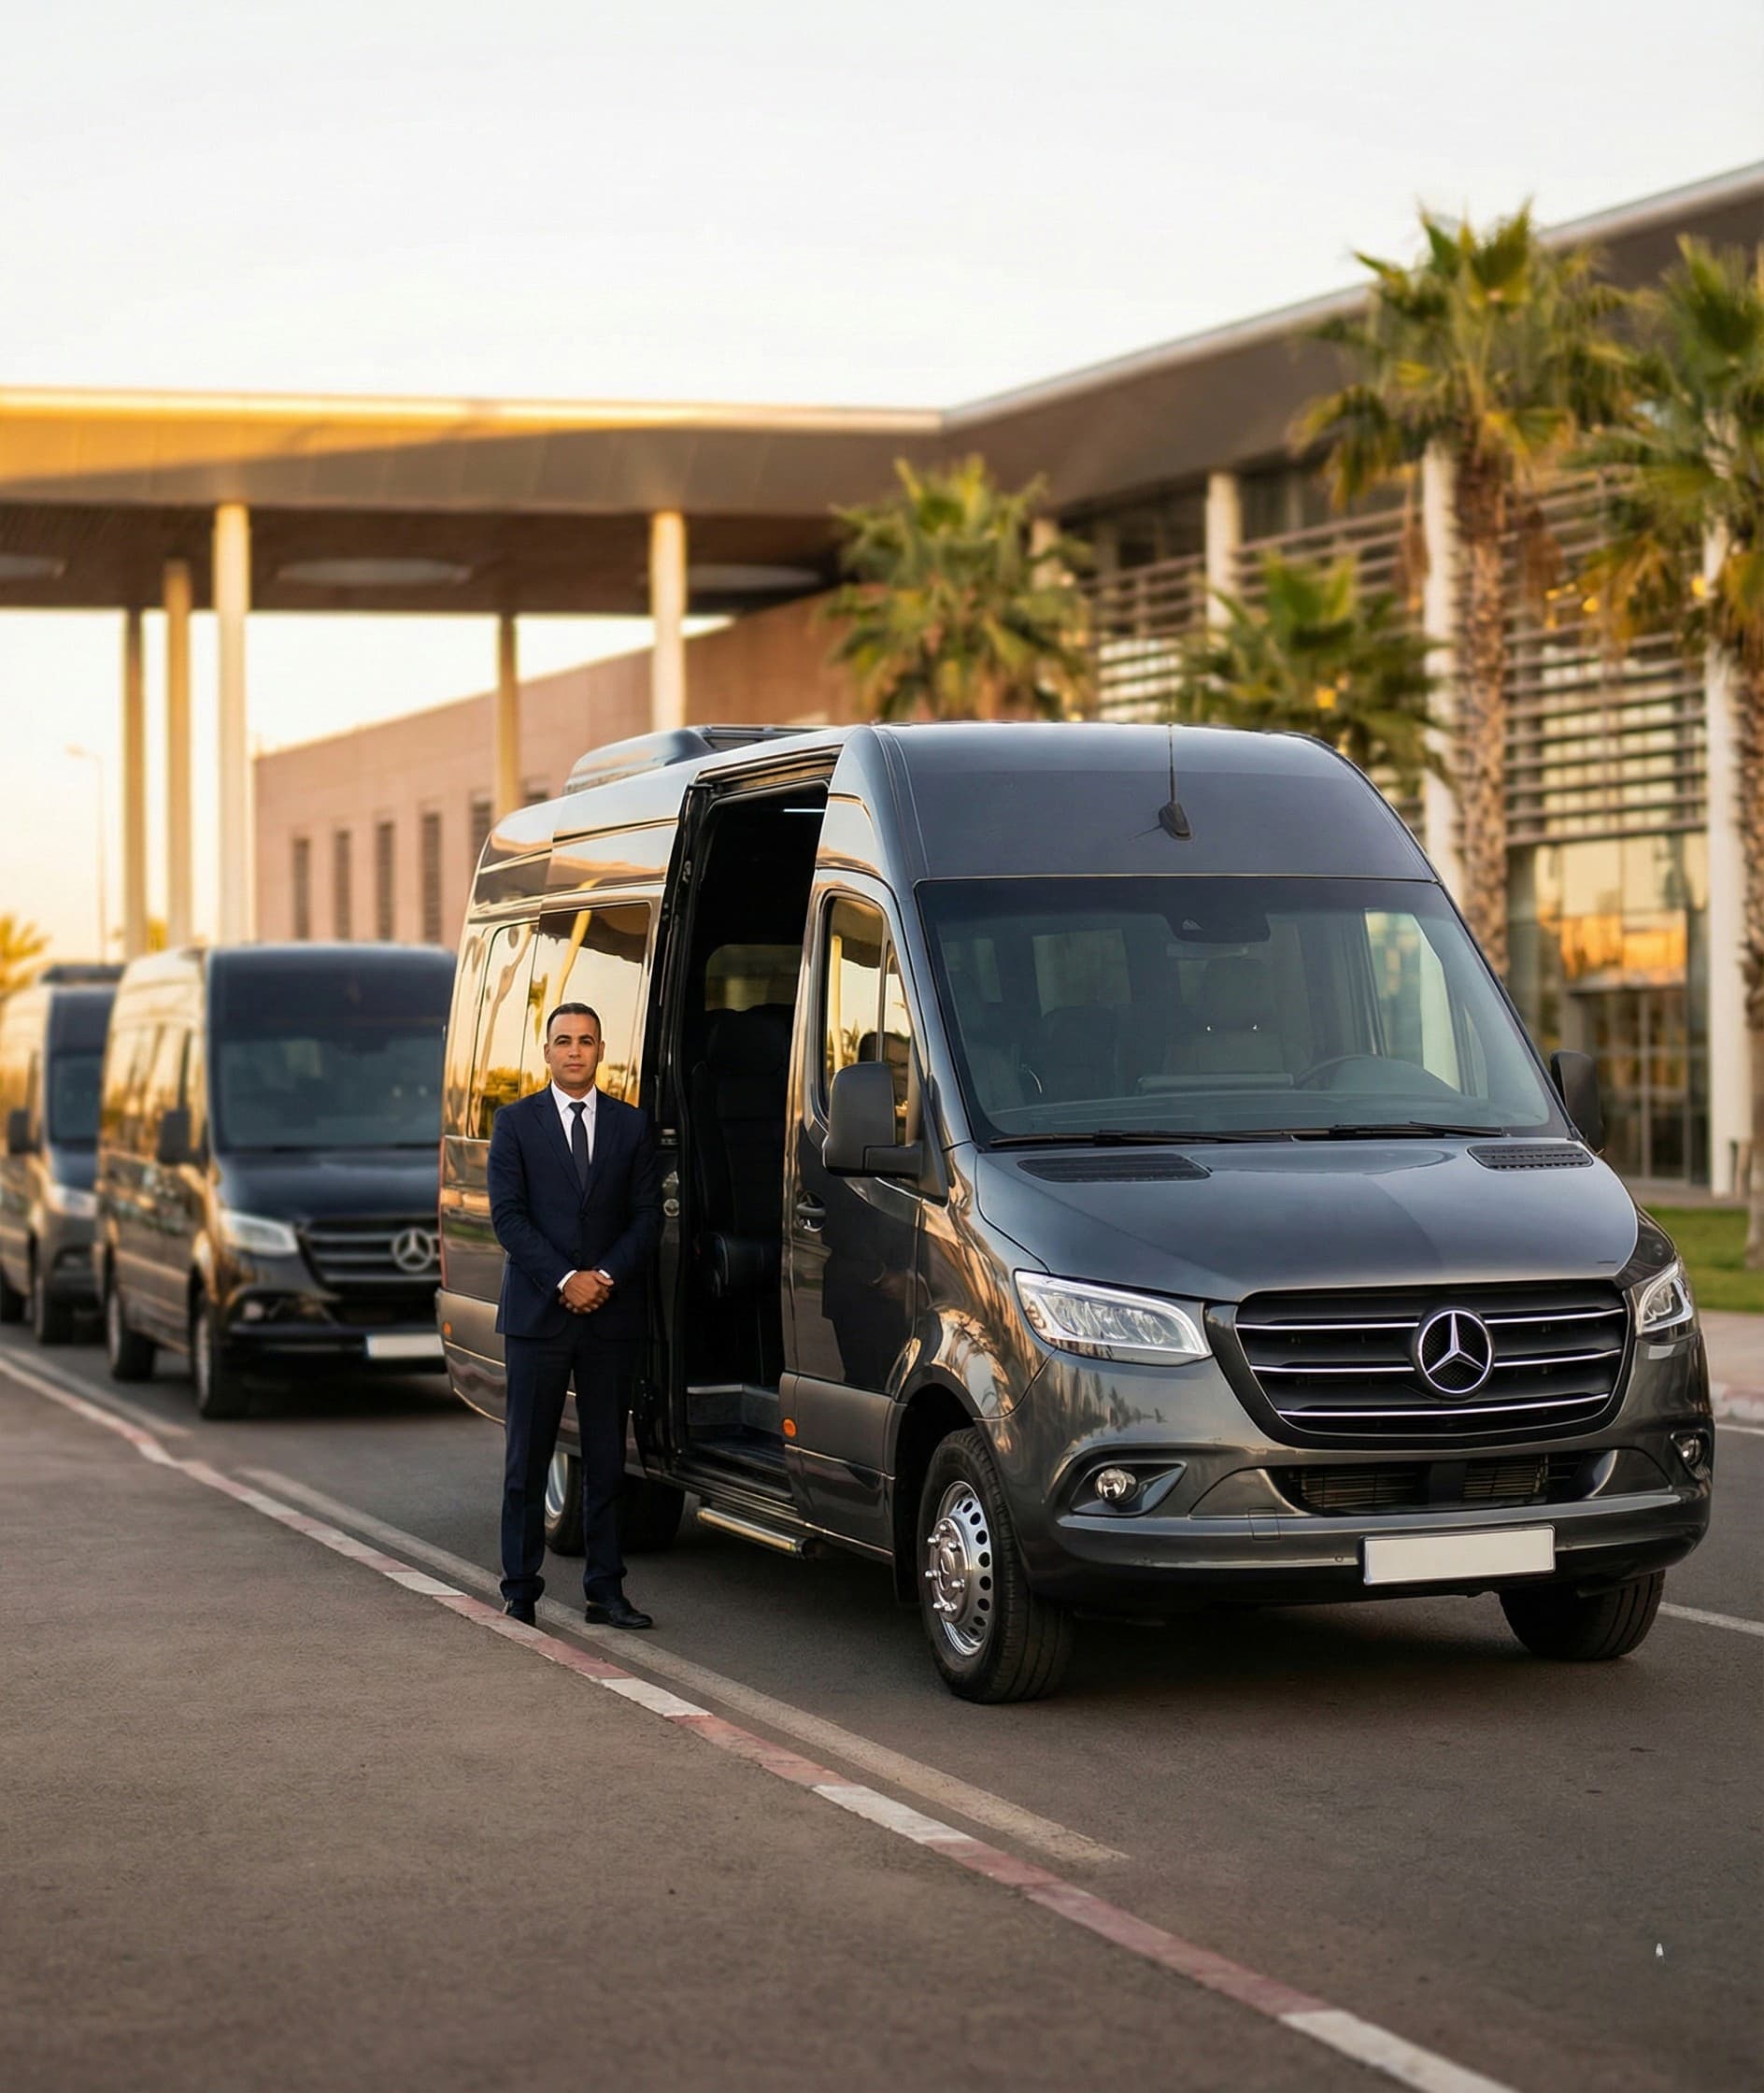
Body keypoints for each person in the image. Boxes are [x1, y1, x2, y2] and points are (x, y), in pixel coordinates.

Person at [487, 1003, 662, 1629]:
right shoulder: (515, 1123)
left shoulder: (631, 1126)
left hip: (609, 1317)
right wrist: (566, 1279)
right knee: (527, 1460)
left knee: (607, 1461)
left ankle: (605, 1592)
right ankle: (520, 1590)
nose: (575, 1051)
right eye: (563, 1041)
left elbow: (648, 1216)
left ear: (601, 1051)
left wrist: (603, 1277)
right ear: (547, 1052)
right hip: (539, 1315)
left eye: (586, 1041)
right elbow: (508, 1216)